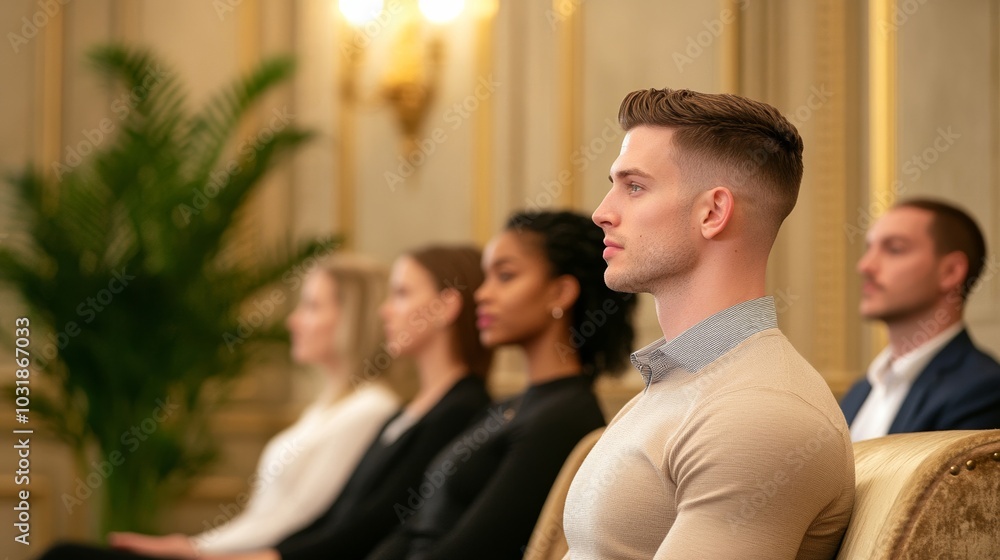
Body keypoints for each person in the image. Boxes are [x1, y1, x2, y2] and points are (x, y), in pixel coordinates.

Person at [39, 245, 494, 560]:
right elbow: (333, 519)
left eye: (402, 294)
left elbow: (347, 524)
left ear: (445, 306)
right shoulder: (395, 410)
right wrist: (198, 548)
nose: (385, 311)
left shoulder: (404, 407)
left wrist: (201, 553)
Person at [563, 88, 854, 559]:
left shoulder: (759, 410)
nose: (602, 213)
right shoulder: (679, 381)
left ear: (714, 212)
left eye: (634, 187)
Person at [366, 210, 636, 560]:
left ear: (560, 292)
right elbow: (414, 527)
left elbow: (473, 552)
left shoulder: (564, 418)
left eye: (505, 276)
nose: (481, 294)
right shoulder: (506, 407)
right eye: (485, 277)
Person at [110, 256, 403, 555]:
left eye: (312, 306)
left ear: (352, 318)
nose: (293, 321)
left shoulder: (371, 408)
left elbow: (298, 518)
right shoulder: (327, 407)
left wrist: (197, 550)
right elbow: (267, 518)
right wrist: (197, 546)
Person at [840, 199, 1000, 441]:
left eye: (894, 249)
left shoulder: (983, 390)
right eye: (869, 248)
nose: (865, 266)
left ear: (951, 272)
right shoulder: (858, 391)